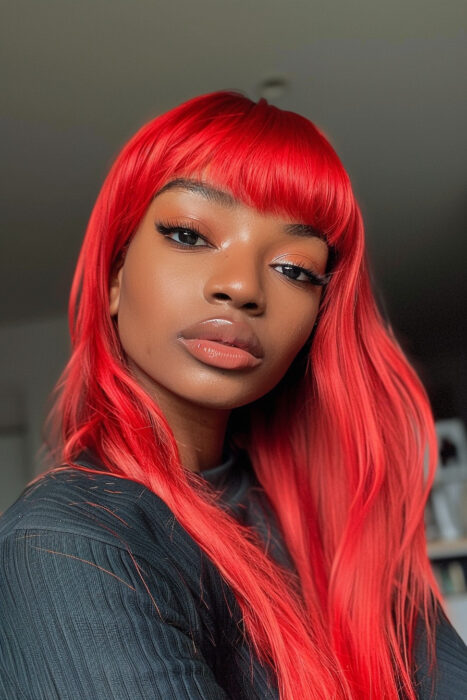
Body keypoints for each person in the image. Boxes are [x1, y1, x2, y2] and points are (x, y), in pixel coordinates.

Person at [0, 91, 466, 699]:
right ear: (114, 278)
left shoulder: (339, 522)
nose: (242, 287)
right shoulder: (68, 545)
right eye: (190, 235)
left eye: (295, 268)